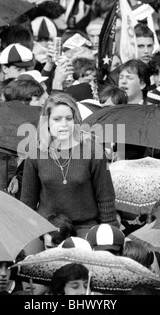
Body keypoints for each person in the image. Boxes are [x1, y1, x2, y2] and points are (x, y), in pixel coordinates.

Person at [20, 92, 119, 238]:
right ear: (46, 122)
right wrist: (24, 232)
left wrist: (111, 233)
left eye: (68, 118)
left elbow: (105, 196)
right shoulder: (36, 151)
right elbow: (28, 200)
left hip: (84, 226)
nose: (64, 124)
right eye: (57, 119)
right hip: (48, 228)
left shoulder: (92, 149)